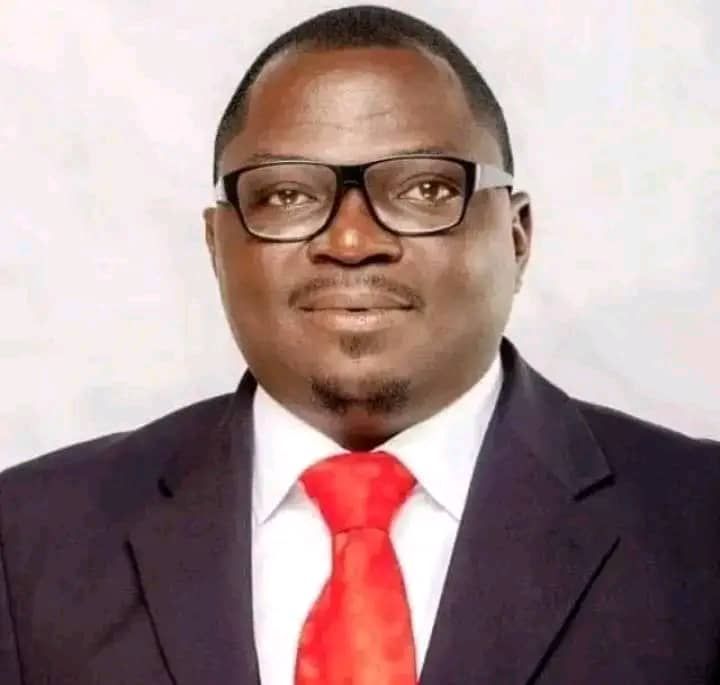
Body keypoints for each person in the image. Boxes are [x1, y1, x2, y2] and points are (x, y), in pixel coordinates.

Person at [1, 5, 718, 684]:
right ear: (218, 245)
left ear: (517, 234)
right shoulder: (29, 537)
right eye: (287, 195)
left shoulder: (700, 522)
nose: (351, 240)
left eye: (425, 189)